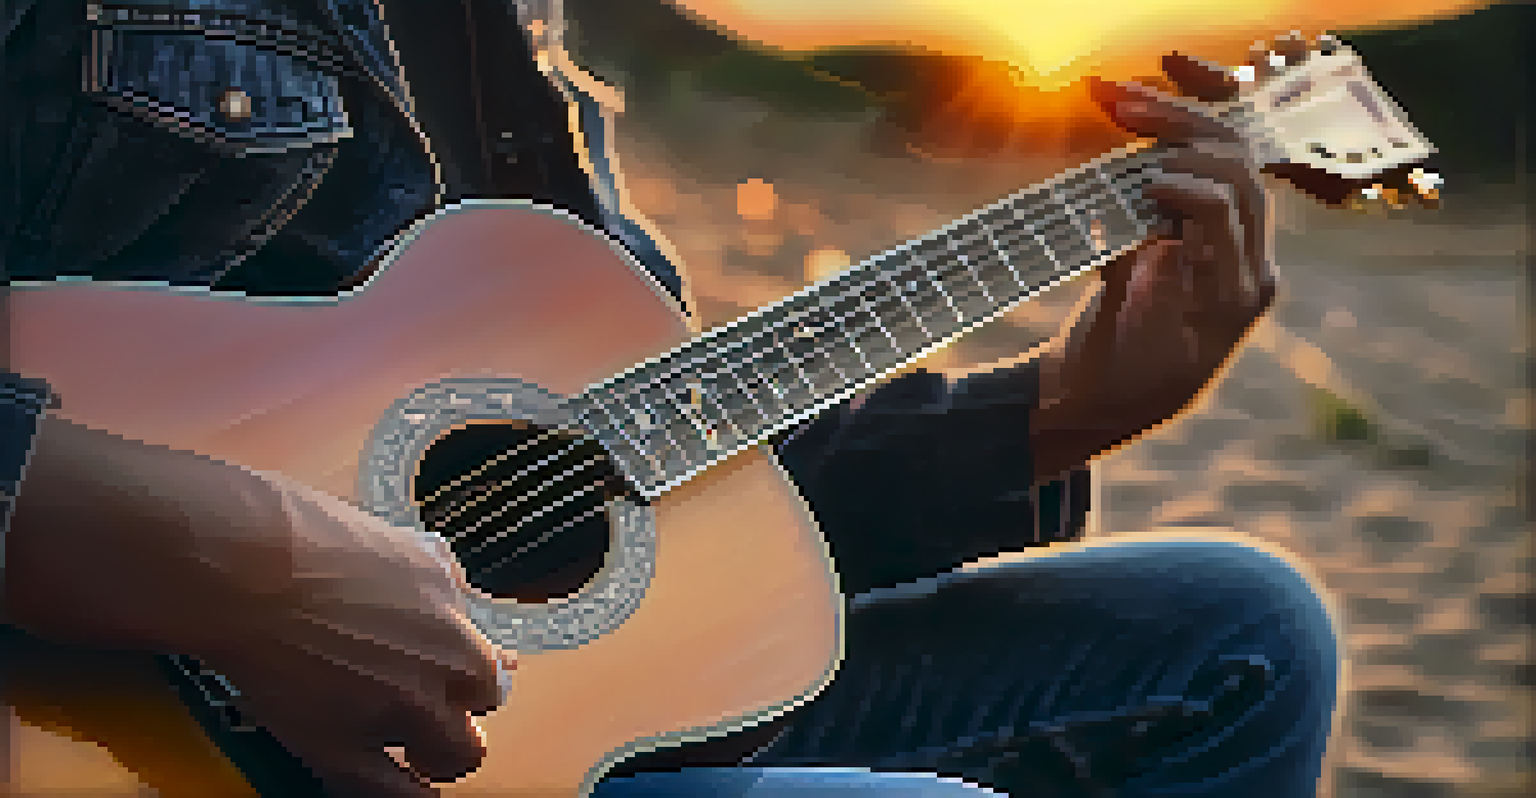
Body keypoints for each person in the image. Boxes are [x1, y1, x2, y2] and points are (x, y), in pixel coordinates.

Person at [0, 1, 1341, 796]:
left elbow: (618, 456)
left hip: (518, 711)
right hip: (122, 730)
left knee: (1242, 632)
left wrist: (1055, 412)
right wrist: (245, 572)